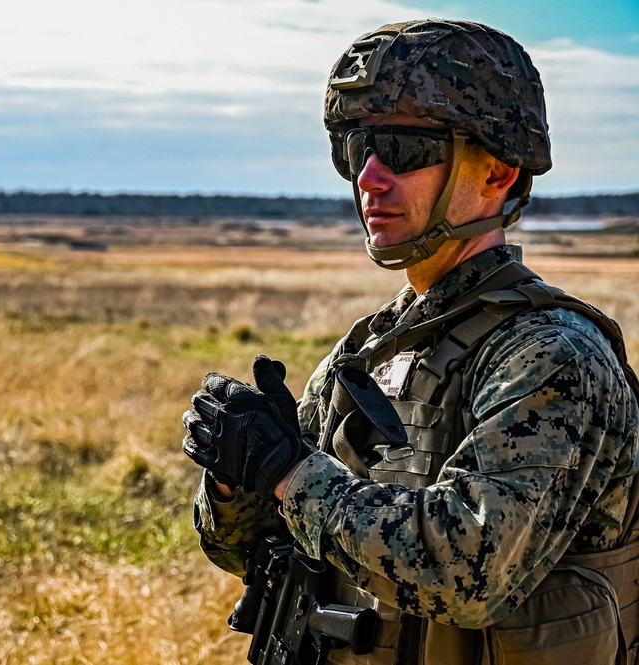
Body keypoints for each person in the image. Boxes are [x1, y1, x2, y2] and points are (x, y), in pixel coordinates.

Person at [182, 19, 639, 665]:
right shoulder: (370, 351)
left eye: (402, 148)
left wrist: (289, 472)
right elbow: (250, 551)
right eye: (356, 148)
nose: (369, 176)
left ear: (499, 171)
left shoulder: (551, 356)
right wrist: (237, 479)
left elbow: (471, 572)